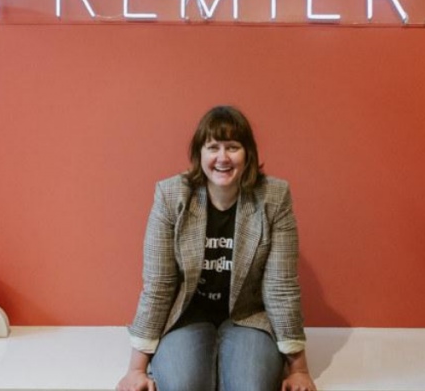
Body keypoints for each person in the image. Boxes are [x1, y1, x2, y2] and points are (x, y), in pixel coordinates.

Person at [117, 106, 316, 391]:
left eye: (232, 147)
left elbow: (280, 286)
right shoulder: (171, 196)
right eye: (213, 147)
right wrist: (135, 369)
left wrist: (299, 369)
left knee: (252, 387)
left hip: (247, 317)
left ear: (248, 155)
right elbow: (159, 284)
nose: (222, 157)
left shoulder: (274, 197)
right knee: (183, 386)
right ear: (200, 154)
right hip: (188, 315)